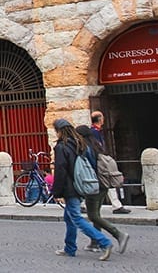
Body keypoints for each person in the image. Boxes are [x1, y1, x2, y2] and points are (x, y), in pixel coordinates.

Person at [52, 118, 113, 261]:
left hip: (69, 188)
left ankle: (104, 242)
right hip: (81, 185)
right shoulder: (80, 144)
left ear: (59, 131)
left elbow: (61, 170)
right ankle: (70, 248)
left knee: (77, 218)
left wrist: (56, 191)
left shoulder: (62, 147)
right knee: (69, 217)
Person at [76, 125, 130, 254]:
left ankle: (118, 235)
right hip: (103, 184)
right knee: (96, 214)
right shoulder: (97, 146)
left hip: (94, 185)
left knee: (93, 215)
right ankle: (95, 243)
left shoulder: (86, 149)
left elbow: (87, 169)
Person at [90, 111, 129, 214]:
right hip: (100, 161)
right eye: (102, 117)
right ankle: (116, 206)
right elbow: (98, 147)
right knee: (105, 182)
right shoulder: (94, 132)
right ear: (100, 119)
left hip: (100, 160)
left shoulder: (97, 131)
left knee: (106, 183)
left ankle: (116, 205)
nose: (104, 119)